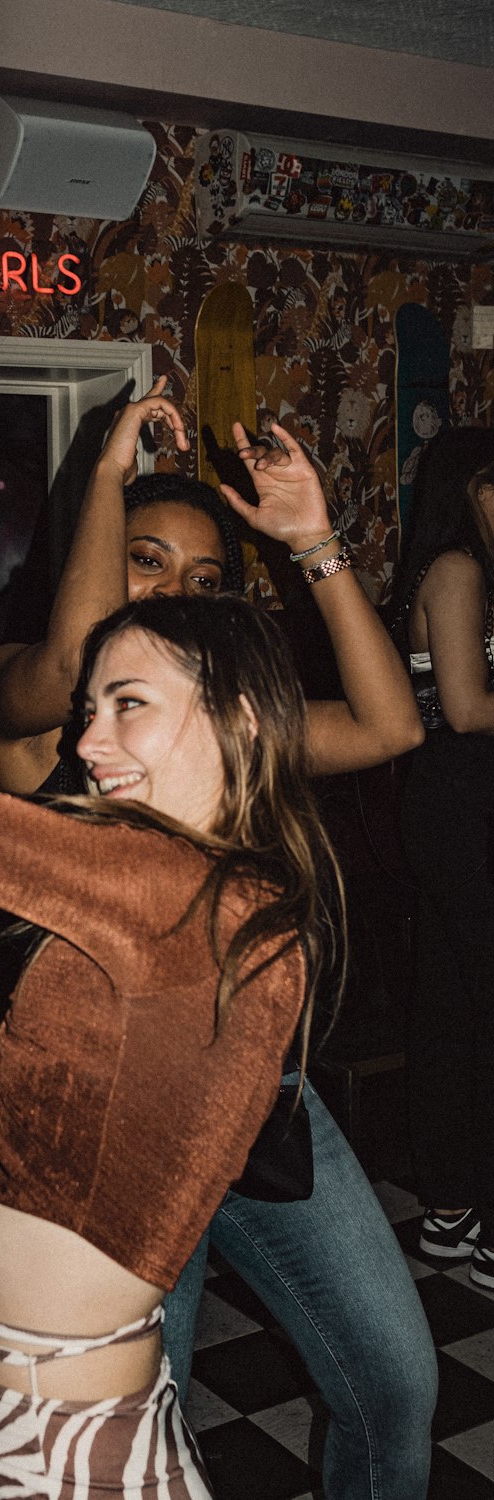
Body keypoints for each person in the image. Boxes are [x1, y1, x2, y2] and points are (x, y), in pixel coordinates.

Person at [0, 380, 436, 1500]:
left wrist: (316, 543)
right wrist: (102, 478)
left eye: (205, 580)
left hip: (263, 1097)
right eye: (146, 558)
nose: (177, 593)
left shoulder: (236, 738)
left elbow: (390, 725)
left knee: (397, 1389)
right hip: (111, 1122)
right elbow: (90, 651)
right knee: (139, 1421)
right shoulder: (37, 716)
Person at [0, 592, 344, 1499]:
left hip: (48, 1443)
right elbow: (57, 1133)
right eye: (87, 711)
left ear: (238, 717)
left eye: (129, 703)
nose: (85, 742)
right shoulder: (219, 897)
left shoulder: (174, 890)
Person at [389, 427, 494, 1288]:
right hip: (460, 802)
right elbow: (463, 708)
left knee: (454, 1010)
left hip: (457, 804)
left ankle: (453, 1212)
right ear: (470, 490)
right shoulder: (457, 570)